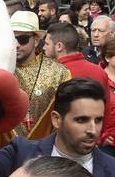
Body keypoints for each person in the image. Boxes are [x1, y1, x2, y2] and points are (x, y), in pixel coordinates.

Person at [10, 10, 71, 138]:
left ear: (36, 41)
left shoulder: (59, 73)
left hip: (44, 149)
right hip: (4, 150)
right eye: (11, 38)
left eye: (22, 39)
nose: (15, 45)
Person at [44, 21, 108, 88]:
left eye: (47, 44)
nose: (44, 47)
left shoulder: (51, 75)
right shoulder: (100, 72)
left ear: (59, 46)